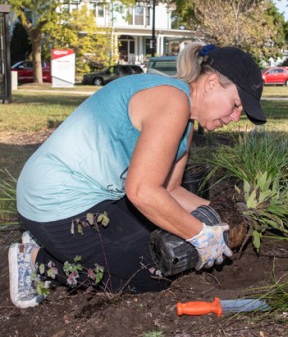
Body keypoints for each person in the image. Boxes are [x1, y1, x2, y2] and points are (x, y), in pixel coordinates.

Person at [9, 43, 266, 308]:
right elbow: (142, 191)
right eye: (235, 104)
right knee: (147, 276)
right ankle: (35, 259)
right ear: (211, 82)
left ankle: (53, 244)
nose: (235, 117)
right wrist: (200, 234)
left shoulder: (185, 122)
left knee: (159, 249)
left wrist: (224, 218)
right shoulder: (172, 102)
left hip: (86, 196)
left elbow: (171, 190)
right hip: (54, 201)